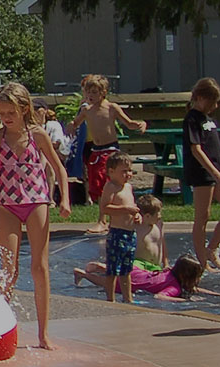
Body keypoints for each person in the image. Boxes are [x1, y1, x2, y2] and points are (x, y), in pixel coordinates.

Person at [0, 82, 70, 350]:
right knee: (8, 268)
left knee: (39, 266)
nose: (7, 118)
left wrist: (64, 199)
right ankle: (2, 328)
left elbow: (59, 169)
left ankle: (43, 332)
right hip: (8, 204)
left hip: (36, 201)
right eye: (2, 113)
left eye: (11, 112)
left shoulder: (37, 135)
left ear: (25, 109)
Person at [68, 75, 147, 234]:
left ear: (103, 92)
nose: (90, 95)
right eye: (88, 92)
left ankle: (103, 220)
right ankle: (105, 218)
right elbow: (75, 123)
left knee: (108, 184)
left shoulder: (111, 108)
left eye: (94, 92)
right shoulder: (87, 110)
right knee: (97, 185)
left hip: (110, 150)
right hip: (96, 150)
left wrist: (141, 124)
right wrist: (71, 126)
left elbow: (129, 123)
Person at [183, 78, 220, 271]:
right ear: (200, 98)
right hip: (202, 172)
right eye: (212, 101)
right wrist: (215, 174)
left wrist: (219, 174)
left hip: (217, 172)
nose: (215, 105)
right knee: (203, 216)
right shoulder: (192, 119)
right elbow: (196, 149)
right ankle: (202, 263)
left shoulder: (209, 119)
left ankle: (211, 248)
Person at [75, 256, 220, 303]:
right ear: (186, 276)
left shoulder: (170, 274)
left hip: (139, 273)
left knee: (117, 271)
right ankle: (83, 274)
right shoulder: (174, 287)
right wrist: (186, 301)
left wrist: (218, 294)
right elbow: (159, 296)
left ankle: (101, 266)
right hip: (132, 284)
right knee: (105, 283)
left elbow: (192, 289)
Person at [96, 153, 142, 303]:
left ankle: (128, 299)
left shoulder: (128, 187)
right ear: (111, 172)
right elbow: (105, 208)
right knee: (113, 270)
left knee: (127, 270)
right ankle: (111, 299)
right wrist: (126, 209)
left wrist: (137, 216)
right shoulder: (111, 187)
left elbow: (133, 207)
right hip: (117, 234)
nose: (128, 174)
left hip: (130, 233)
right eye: (124, 171)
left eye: (130, 170)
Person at [134, 195, 166, 272]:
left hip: (156, 266)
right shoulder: (136, 227)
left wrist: (166, 263)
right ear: (147, 216)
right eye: (157, 213)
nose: (160, 216)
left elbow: (162, 245)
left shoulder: (159, 225)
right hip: (140, 265)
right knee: (133, 268)